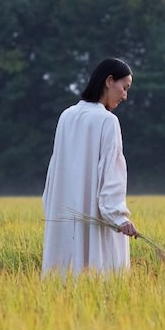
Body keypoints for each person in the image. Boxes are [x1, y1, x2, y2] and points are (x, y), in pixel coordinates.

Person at [42, 58, 141, 274]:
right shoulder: (107, 121)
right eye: (124, 88)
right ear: (109, 81)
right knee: (102, 280)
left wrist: (52, 209)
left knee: (64, 279)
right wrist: (119, 217)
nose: (125, 96)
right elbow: (111, 175)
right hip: (97, 220)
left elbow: (54, 172)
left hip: (65, 219)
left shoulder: (66, 116)